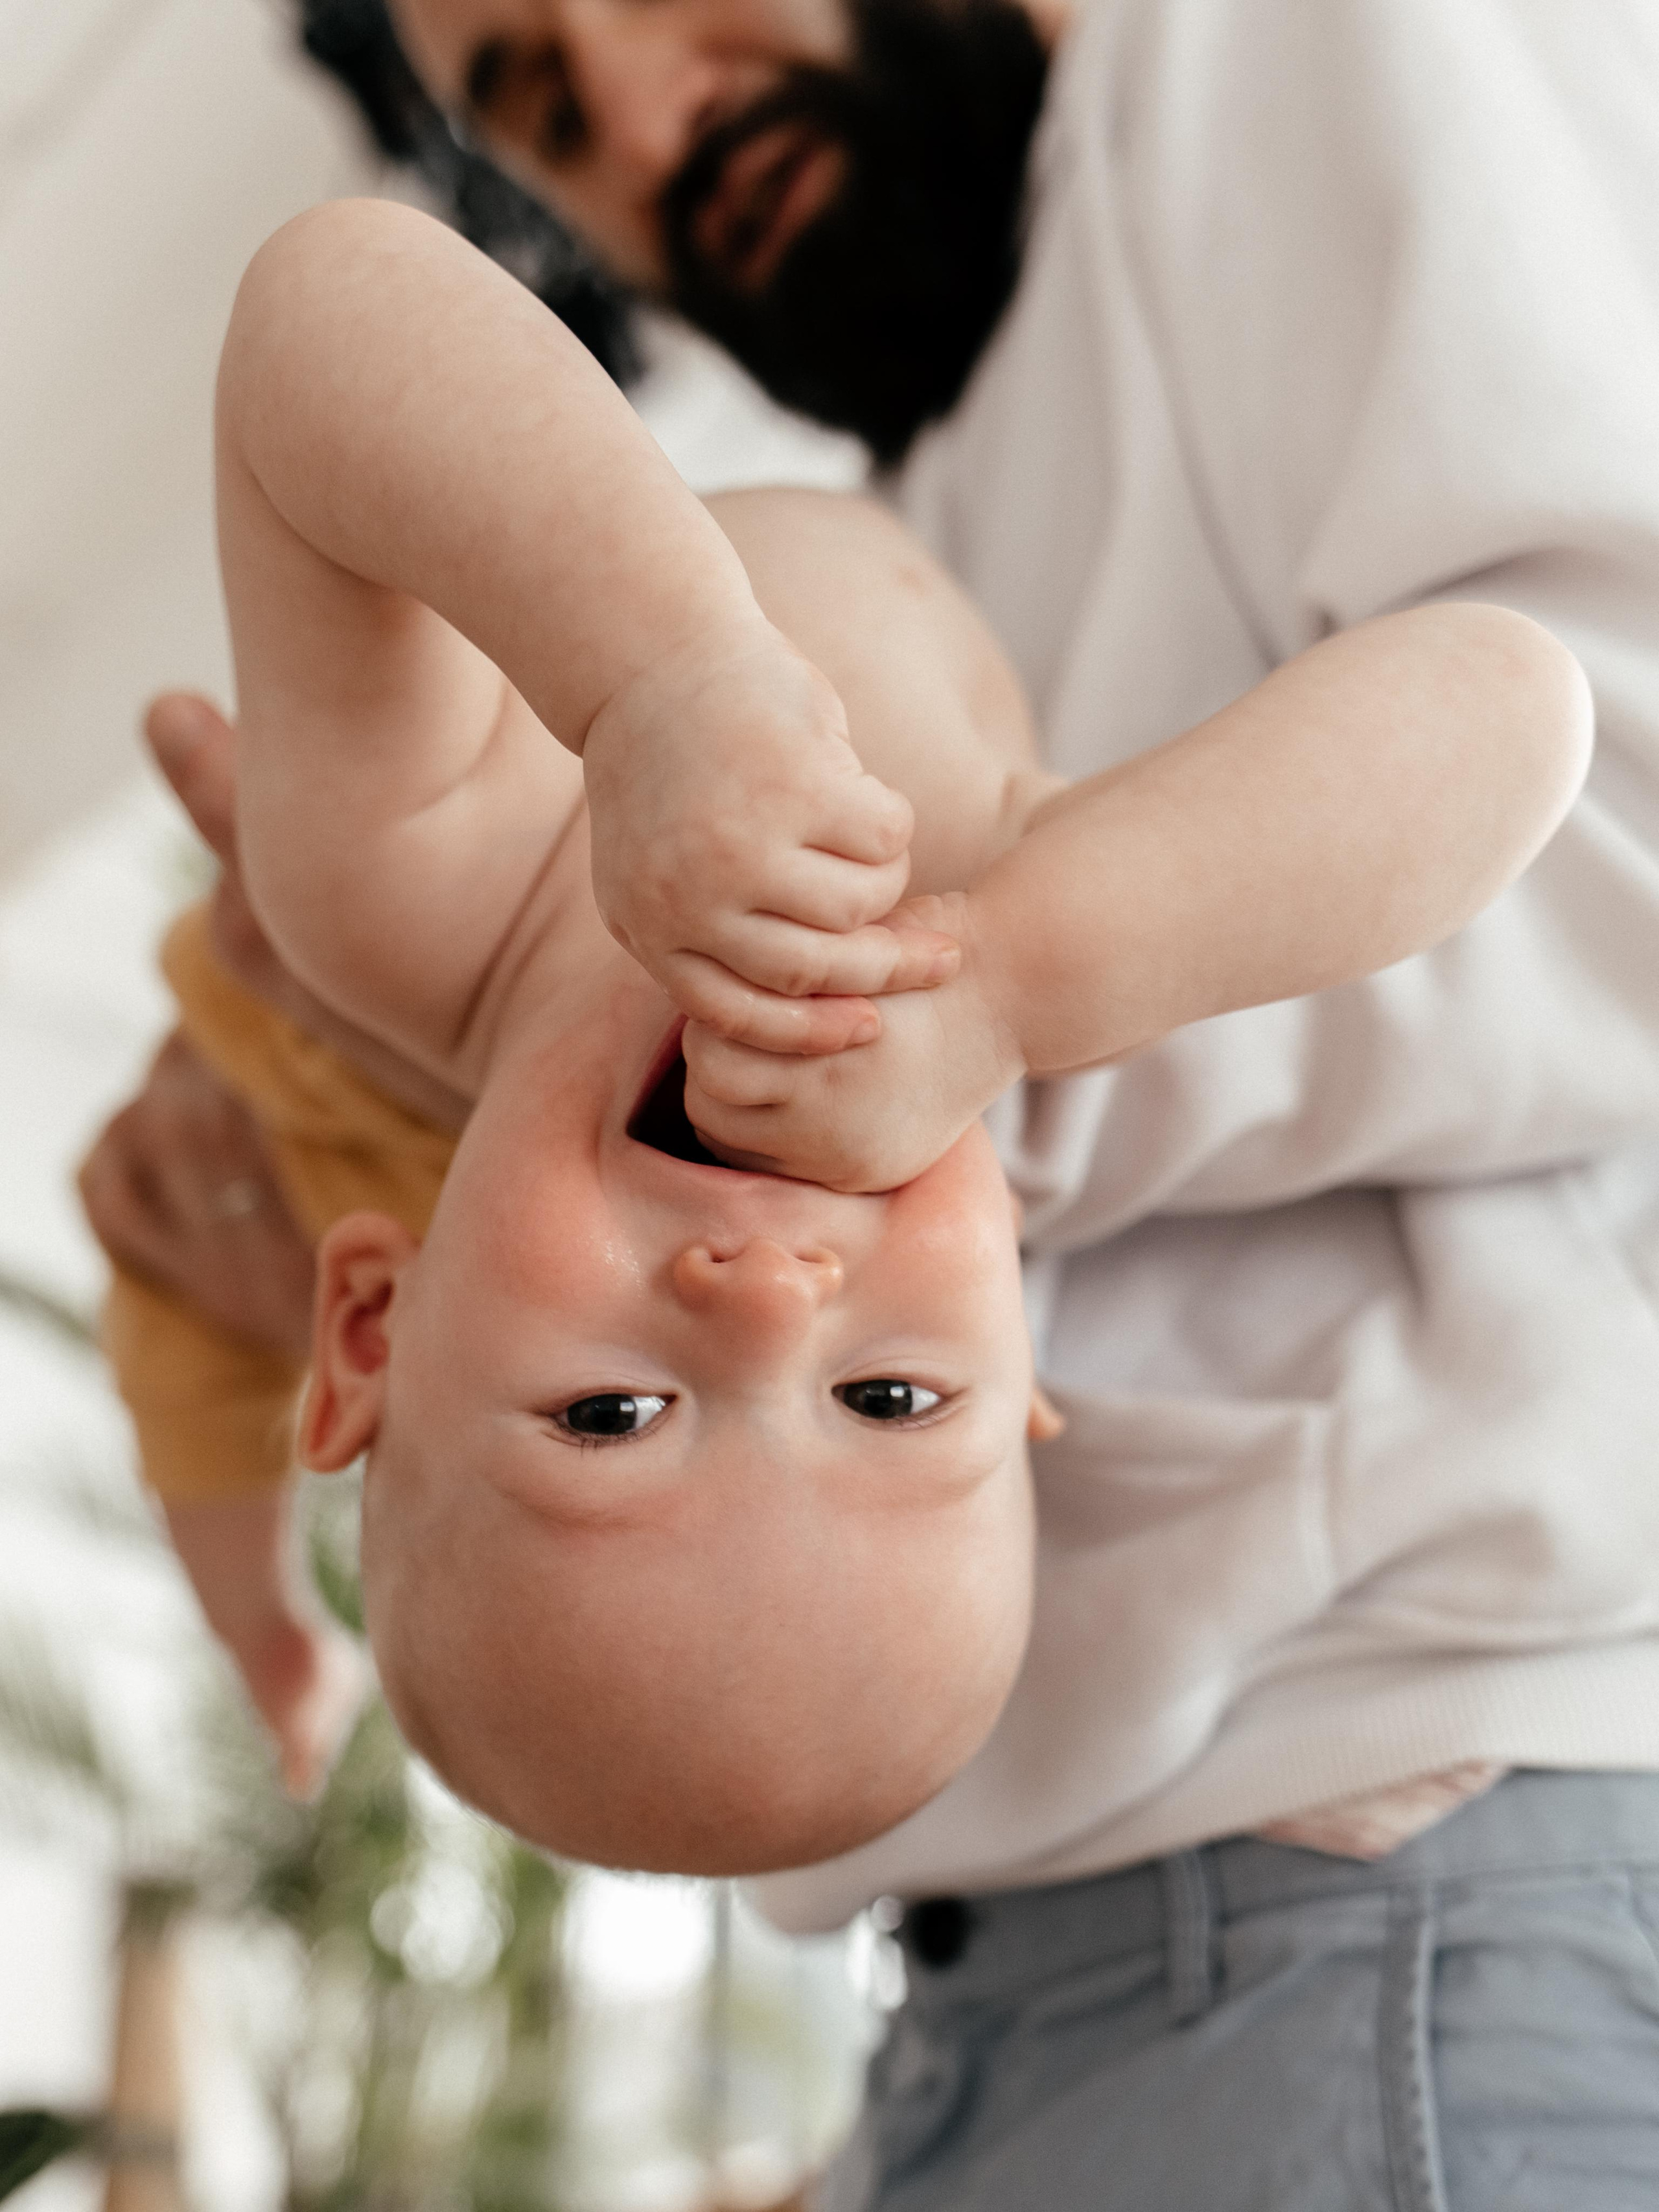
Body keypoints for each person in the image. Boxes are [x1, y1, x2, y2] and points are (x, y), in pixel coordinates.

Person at [84, 0, 1659, 2198]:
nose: (762, 1291)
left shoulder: (394, 889)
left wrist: (662, 689)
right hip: (1098, 1990)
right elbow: (1516, 719)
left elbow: (327, 309)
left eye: (611, 1419)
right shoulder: (1010, 924)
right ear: (1020, 1341)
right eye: (894, 1400)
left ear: (380, 1324)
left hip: (1345, 1914)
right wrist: (1030, 984)